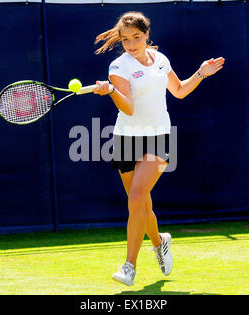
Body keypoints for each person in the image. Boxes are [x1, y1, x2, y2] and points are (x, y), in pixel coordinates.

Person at [93, 11, 225, 286]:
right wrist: (112, 92)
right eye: (126, 39)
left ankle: (129, 266)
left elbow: (178, 90)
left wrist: (201, 73)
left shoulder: (161, 60)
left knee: (137, 197)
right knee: (141, 204)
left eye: (136, 37)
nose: (131, 44)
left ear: (146, 35)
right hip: (126, 138)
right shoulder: (119, 67)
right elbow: (128, 108)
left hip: (159, 136)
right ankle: (159, 241)